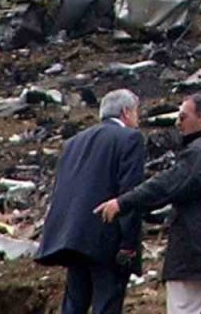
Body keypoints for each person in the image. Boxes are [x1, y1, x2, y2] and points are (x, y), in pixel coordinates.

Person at [95, 94, 201, 314]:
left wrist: (123, 202)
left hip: (195, 259)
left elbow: (168, 184)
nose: (178, 122)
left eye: (183, 116)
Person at [36, 89, 146, 314]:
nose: (138, 118)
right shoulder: (130, 139)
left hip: (72, 237)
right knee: (106, 304)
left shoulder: (74, 142)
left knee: (74, 303)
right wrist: (129, 244)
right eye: (136, 112)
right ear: (126, 112)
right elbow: (129, 194)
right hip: (107, 238)